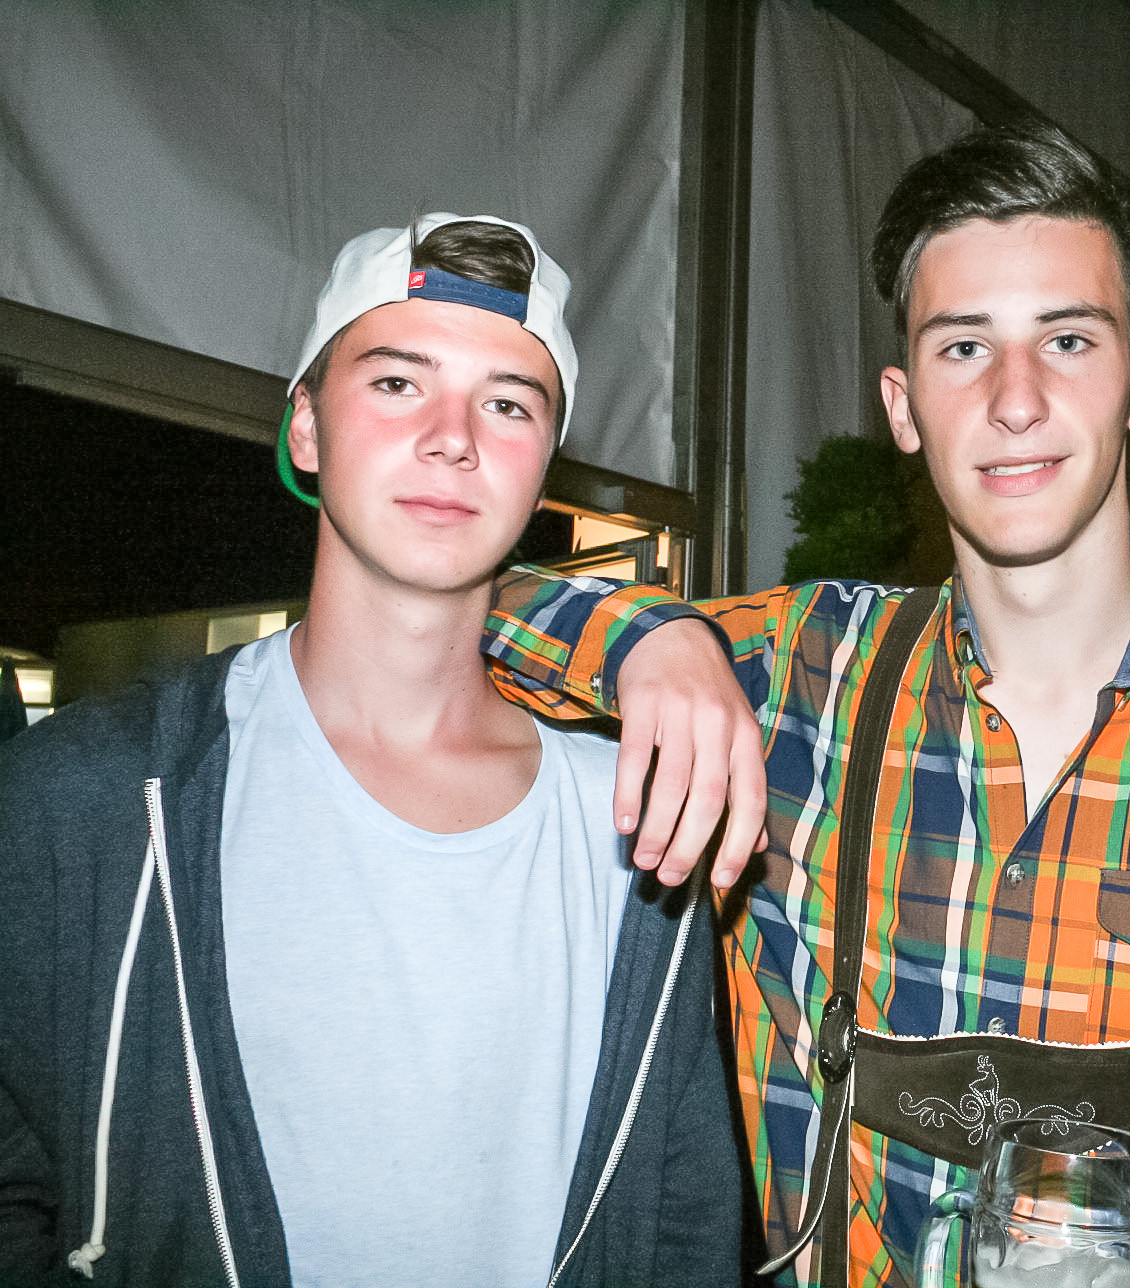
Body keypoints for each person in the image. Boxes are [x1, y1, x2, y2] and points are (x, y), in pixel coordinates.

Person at [482, 122, 1130, 1286]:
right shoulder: (806, 668)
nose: (1015, 399)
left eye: (1067, 340)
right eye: (963, 347)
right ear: (902, 403)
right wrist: (650, 637)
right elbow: (453, 607)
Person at [0, 214, 740, 1287]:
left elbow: (684, 1222)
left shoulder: (638, 825)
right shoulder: (92, 796)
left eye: (507, 403)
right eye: (397, 382)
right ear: (306, 429)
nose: (453, 437)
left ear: (544, 469)